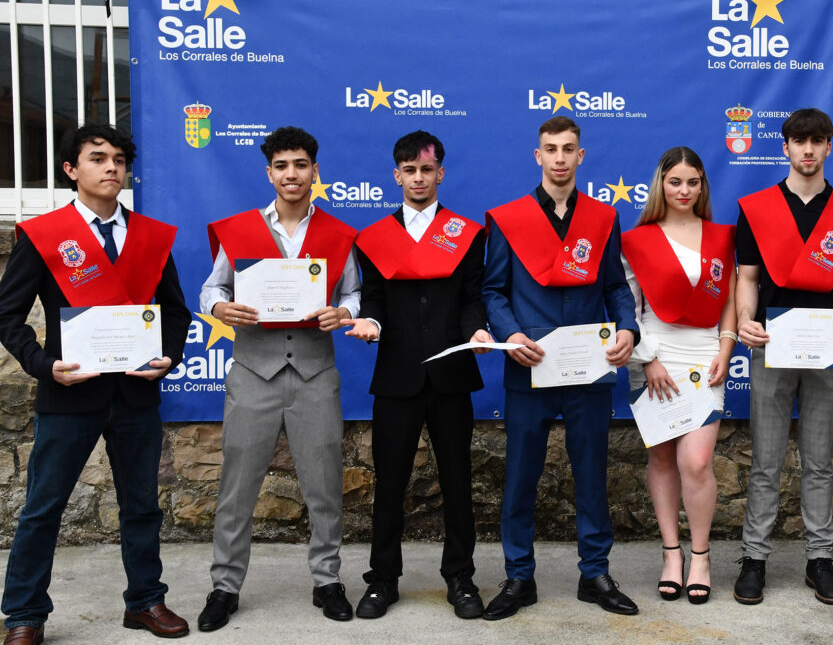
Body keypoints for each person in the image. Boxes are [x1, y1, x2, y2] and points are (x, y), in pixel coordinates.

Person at [0, 124, 191, 643]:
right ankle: (24, 615)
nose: (112, 167)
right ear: (71, 169)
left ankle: (145, 601)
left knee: (142, 506)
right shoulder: (43, 235)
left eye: (120, 160)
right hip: (69, 392)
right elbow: (8, 315)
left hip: (135, 394)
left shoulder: (151, 236)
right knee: (43, 508)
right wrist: (44, 365)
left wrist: (168, 356)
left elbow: (176, 312)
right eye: (98, 158)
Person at [196, 127, 360, 630]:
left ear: (315, 171)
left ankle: (327, 580)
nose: (292, 174)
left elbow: (354, 295)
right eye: (283, 166)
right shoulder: (240, 229)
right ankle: (225, 586)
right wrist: (220, 308)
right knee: (237, 486)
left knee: (325, 484)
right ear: (269, 173)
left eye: (301, 165)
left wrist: (344, 313)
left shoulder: (338, 234)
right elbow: (212, 289)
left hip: (315, 373)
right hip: (253, 372)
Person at [479, 115, 640, 620]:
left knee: (591, 475)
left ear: (581, 155)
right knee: (520, 476)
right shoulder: (508, 219)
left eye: (569, 149)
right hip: (530, 365)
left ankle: (595, 573)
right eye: (551, 149)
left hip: (589, 366)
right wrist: (510, 335)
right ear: (538, 155)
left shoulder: (603, 217)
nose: (560, 158)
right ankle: (518, 577)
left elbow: (615, 286)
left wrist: (629, 327)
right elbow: (493, 291)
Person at [343, 131, 493, 620]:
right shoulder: (373, 239)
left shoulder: (466, 233)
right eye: (409, 170)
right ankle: (382, 580)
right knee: (389, 483)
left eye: (427, 169)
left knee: (457, 482)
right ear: (397, 176)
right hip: (397, 376)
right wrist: (371, 322)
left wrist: (477, 329)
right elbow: (374, 300)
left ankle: (461, 577)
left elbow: (471, 298)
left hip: (452, 375)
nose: (419, 178)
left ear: (440, 173)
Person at [733, 108, 833, 606]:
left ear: (829, 147)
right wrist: (745, 319)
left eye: (817, 141)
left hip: (827, 348)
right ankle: (754, 558)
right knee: (766, 461)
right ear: (786, 147)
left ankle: (820, 559)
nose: (808, 149)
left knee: (819, 461)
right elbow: (747, 278)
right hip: (771, 344)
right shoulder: (757, 209)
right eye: (800, 141)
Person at [620, 147, 737, 605]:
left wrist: (726, 349)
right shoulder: (637, 241)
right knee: (663, 458)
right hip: (656, 356)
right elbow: (628, 308)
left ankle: (701, 556)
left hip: (705, 354)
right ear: (661, 185)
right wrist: (646, 359)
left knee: (697, 462)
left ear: (702, 185)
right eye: (675, 182)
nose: (684, 190)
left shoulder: (722, 237)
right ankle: (672, 554)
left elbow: (729, 300)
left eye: (693, 182)